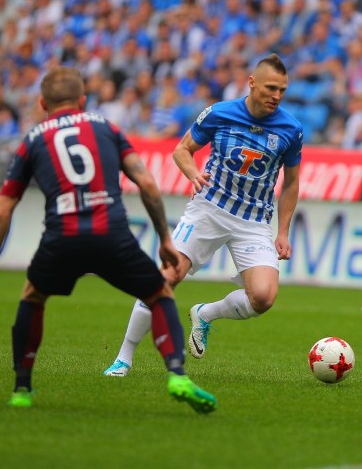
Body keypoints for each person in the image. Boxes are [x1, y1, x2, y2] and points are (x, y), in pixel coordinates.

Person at [0, 66, 216, 414]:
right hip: (111, 235)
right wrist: (163, 237)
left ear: (42, 103)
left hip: (61, 238)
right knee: (159, 293)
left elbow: (1, 212)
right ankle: (177, 375)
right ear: (83, 100)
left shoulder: (33, 139)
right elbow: (146, 183)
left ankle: (22, 389)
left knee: (33, 296)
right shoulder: (106, 127)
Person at [104, 53, 302, 376]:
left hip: (252, 221)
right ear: (251, 83)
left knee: (264, 297)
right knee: (166, 278)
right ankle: (123, 358)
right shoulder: (220, 113)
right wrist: (193, 173)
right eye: (270, 88)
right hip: (208, 209)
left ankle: (206, 314)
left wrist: (282, 232)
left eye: (282, 90)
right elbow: (182, 149)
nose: (276, 96)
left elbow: (292, 183)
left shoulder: (291, 129)